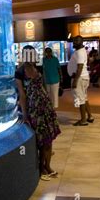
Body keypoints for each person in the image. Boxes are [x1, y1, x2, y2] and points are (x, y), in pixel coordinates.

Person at [15, 45, 61, 181]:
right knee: (42, 140)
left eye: (32, 53)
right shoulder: (20, 72)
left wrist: (49, 104)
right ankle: (42, 168)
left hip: (45, 106)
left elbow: (42, 87)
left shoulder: (37, 67)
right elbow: (22, 95)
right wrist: (25, 114)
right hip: (34, 109)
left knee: (49, 137)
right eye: (28, 54)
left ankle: (48, 166)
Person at [68, 35, 94, 126]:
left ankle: (83, 120)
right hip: (83, 77)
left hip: (80, 78)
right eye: (74, 41)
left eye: (77, 41)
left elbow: (80, 67)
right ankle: (90, 116)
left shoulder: (79, 52)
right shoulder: (81, 51)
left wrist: (75, 80)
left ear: (81, 42)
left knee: (80, 99)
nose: (74, 43)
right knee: (84, 97)